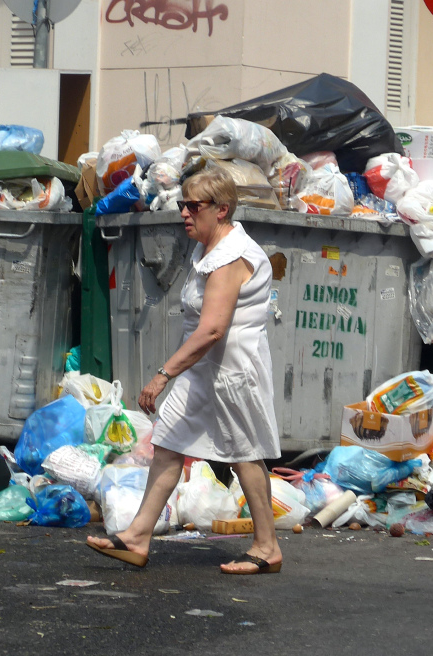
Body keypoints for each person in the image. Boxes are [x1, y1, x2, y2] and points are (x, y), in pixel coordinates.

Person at [87, 167, 282, 575]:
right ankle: (138, 536)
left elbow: (212, 329)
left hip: (232, 373)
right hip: (203, 372)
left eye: (194, 206)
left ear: (222, 209)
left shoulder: (231, 256)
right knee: (169, 442)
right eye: (183, 205)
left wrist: (163, 374)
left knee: (244, 454)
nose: (184, 214)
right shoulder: (208, 250)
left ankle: (267, 547)